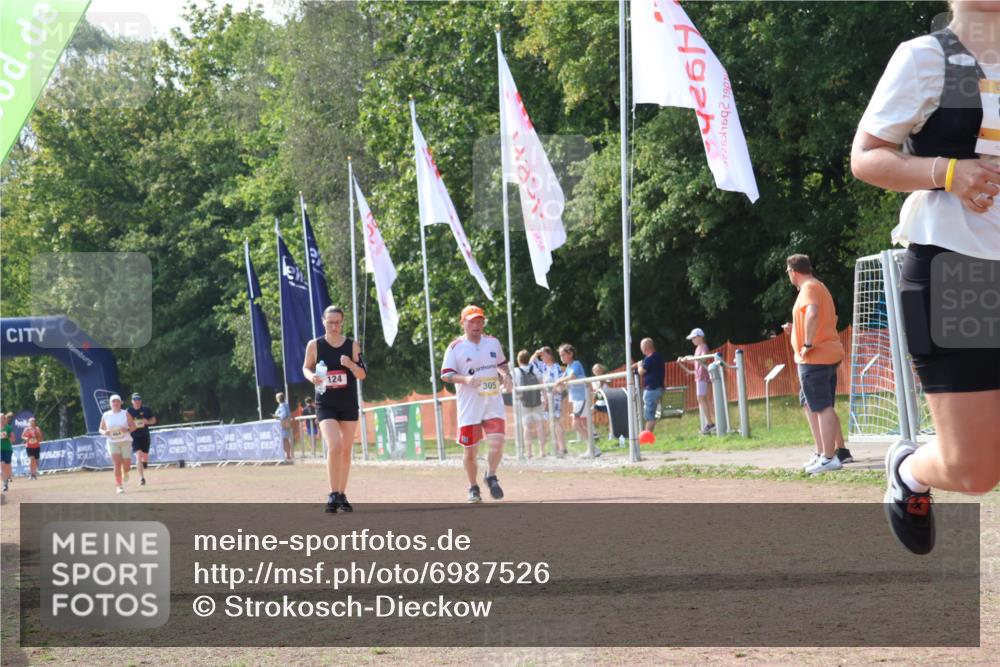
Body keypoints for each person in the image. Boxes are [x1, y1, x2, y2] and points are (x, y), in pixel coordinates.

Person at [850, 0, 1000, 554]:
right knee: (975, 471)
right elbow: (866, 156)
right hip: (958, 272)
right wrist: (947, 172)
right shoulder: (926, 59)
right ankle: (911, 468)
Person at [782, 255, 846, 476]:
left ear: (793, 271)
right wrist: (797, 330)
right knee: (810, 404)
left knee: (822, 406)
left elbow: (813, 314)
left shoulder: (808, 287)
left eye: (788, 272)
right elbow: (824, 319)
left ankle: (829, 457)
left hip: (815, 357)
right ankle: (822, 453)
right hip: (824, 354)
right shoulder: (818, 286)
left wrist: (807, 343)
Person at [441, 305, 513, 502]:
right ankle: (473, 486)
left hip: (492, 402)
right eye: (472, 321)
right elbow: (446, 374)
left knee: (497, 443)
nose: (476, 325)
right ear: (463, 323)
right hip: (470, 406)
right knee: (471, 451)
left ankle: (491, 475)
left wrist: (506, 375)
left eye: (480, 321)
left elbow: (501, 364)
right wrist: (466, 380)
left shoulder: (493, 342)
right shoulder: (455, 347)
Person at [303, 305, 366, 513]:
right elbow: (306, 367)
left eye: (337, 323)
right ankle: (332, 493)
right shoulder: (315, 345)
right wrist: (311, 376)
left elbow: (362, 375)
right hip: (325, 402)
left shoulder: (352, 345)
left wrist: (350, 365)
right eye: (330, 322)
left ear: (342, 322)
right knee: (335, 445)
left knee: (347, 451)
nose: (334, 326)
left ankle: (341, 493)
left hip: (347, 403)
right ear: (323, 322)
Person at [678, 328, 716, 434]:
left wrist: (690, 358)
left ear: (700, 337)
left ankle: (710, 424)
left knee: (701, 398)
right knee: (703, 399)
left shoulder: (703, 346)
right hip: (700, 376)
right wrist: (686, 359)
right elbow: (697, 363)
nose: (692, 340)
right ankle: (711, 423)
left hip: (703, 377)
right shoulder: (698, 348)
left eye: (694, 338)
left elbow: (703, 359)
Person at [530, 346, 565, 456]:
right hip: (545, 398)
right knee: (551, 422)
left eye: (543, 355)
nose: (542, 357)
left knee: (555, 421)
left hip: (554, 397)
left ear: (549, 355)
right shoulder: (542, 366)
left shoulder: (556, 367)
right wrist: (536, 353)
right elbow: (531, 363)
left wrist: (552, 393)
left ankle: (562, 447)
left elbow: (560, 382)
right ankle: (556, 447)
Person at [556, 344, 591, 450]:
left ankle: (592, 448)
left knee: (576, 424)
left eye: (563, 355)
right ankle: (592, 448)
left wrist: (559, 381)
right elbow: (562, 381)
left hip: (581, 398)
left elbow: (572, 376)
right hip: (576, 399)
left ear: (570, 354)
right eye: (560, 356)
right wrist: (556, 386)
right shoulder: (568, 367)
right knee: (582, 424)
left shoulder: (576, 363)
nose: (562, 358)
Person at [99, 394, 136, 495]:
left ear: (120, 403)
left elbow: (133, 426)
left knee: (127, 466)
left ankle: (126, 471)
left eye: (117, 401)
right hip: (112, 442)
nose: (115, 403)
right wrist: (104, 432)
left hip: (125, 441)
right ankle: (119, 486)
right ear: (110, 404)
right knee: (117, 463)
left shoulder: (126, 413)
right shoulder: (106, 415)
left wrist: (127, 429)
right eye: (113, 401)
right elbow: (100, 429)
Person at [513, 350, 544, 458]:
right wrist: (544, 396)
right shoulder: (534, 368)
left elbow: (513, 385)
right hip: (537, 400)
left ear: (518, 360)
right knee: (540, 425)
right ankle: (542, 451)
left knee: (526, 427)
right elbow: (541, 382)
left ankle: (529, 452)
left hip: (524, 402)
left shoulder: (516, 371)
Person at [633, 338, 665, 433]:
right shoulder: (657, 356)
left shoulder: (650, 358)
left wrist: (639, 366)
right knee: (652, 414)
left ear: (645, 347)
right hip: (659, 389)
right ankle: (648, 435)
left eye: (641, 348)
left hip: (651, 390)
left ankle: (647, 437)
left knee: (649, 416)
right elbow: (645, 365)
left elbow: (641, 371)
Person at [127, 393, 156, 486]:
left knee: (145, 456)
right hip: (134, 437)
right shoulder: (128, 411)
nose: (137, 401)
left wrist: (147, 421)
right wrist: (131, 425)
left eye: (138, 399)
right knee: (138, 455)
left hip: (145, 436)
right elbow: (125, 423)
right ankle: (141, 478)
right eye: (135, 400)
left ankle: (145, 463)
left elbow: (154, 420)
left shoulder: (146, 409)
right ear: (132, 401)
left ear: (141, 400)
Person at [273, 392, 293, 462]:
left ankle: (288, 455)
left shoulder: (282, 405)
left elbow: (284, 414)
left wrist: (277, 417)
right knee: (286, 440)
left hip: (283, 424)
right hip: (286, 424)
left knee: (284, 440)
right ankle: (288, 455)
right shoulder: (285, 405)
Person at [1, 413, 14, 492]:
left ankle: (8, 478)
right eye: (0, 418)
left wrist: (7, 437)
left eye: (3, 418)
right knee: (2, 466)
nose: (1, 420)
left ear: (5, 419)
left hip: (8, 449)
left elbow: (13, 439)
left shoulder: (8, 428)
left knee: (7, 466)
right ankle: (5, 485)